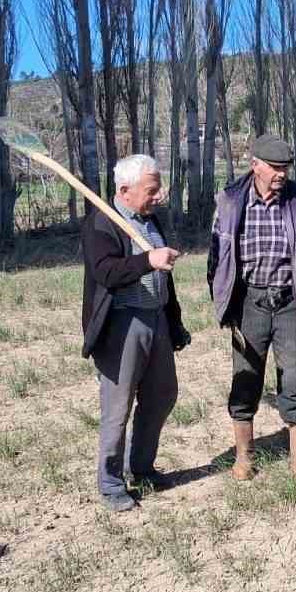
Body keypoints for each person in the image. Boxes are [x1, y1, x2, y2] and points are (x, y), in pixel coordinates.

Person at [207, 134, 296, 485]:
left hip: (291, 303)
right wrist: (226, 301)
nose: (281, 174)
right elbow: (216, 258)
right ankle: (244, 457)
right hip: (249, 303)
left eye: (285, 168)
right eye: (274, 167)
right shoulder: (230, 202)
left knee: (294, 378)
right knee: (245, 377)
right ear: (255, 165)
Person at [80, 154, 190, 513]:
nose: (159, 196)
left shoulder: (149, 220)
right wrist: (148, 260)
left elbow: (163, 279)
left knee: (162, 395)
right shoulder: (101, 222)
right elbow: (106, 272)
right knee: (118, 408)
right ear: (125, 190)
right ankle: (111, 484)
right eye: (151, 190)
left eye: (158, 189)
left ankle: (141, 467)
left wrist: (173, 322)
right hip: (121, 325)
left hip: (156, 319)